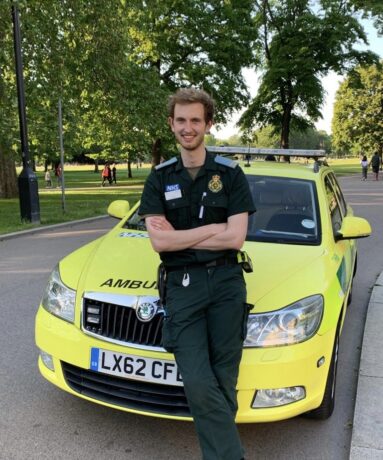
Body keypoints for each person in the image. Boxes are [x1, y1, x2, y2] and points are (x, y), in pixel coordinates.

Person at [139, 88, 255, 460]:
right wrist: (210, 232)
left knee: (224, 378)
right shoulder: (158, 179)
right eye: (181, 120)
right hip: (182, 287)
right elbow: (159, 243)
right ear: (171, 124)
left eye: (195, 120)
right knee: (198, 380)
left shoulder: (230, 175)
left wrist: (181, 236)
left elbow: (235, 238)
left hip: (226, 285)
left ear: (208, 124)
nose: (188, 128)